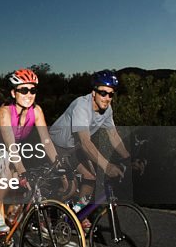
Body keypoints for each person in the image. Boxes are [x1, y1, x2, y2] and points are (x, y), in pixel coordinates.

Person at [48, 69, 139, 218]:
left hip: (73, 147)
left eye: (111, 94)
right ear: (93, 93)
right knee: (70, 188)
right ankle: (47, 214)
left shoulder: (107, 109)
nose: (107, 98)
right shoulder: (81, 106)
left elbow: (114, 135)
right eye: (103, 93)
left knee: (90, 177)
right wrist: (107, 166)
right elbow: (85, 142)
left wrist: (128, 159)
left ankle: (73, 216)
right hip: (57, 146)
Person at [0, 68, 60, 231]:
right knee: (9, 172)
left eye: (33, 90)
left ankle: (8, 228)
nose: (29, 94)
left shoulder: (36, 111)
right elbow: (10, 146)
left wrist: (59, 164)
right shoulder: (5, 111)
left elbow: (46, 141)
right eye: (24, 90)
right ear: (14, 93)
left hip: (18, 149)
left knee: (28, 185)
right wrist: (22, 171)